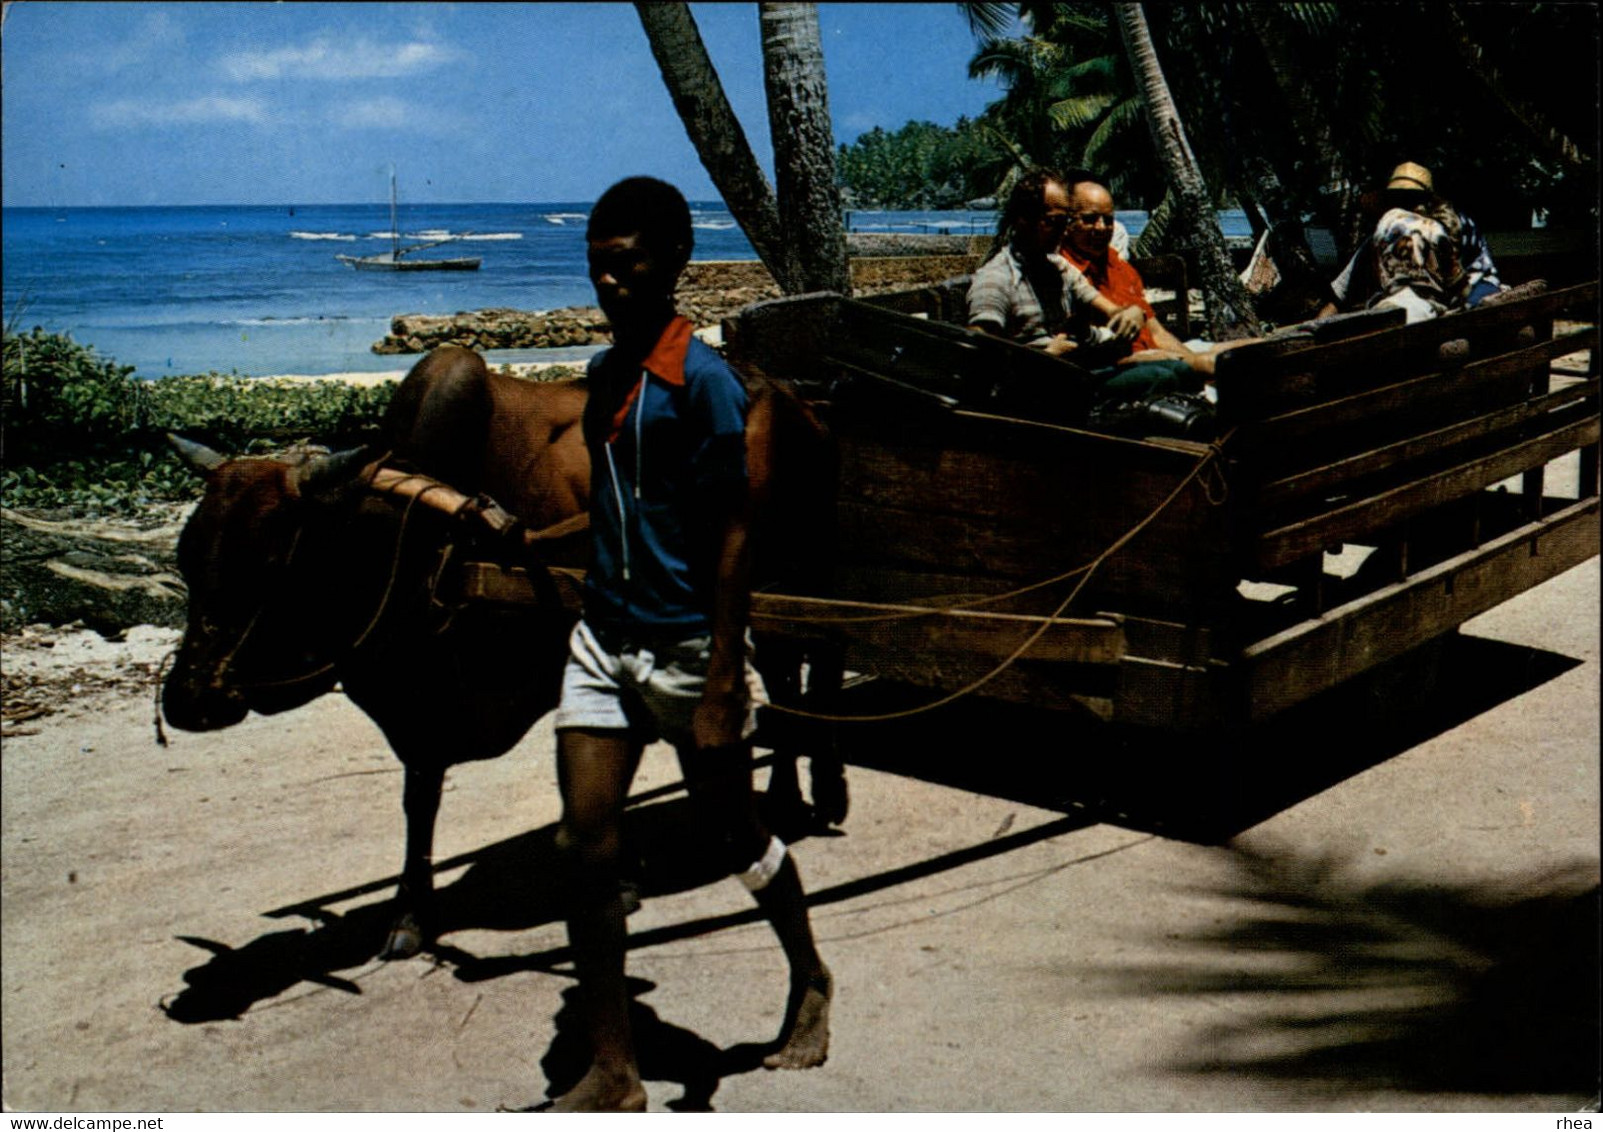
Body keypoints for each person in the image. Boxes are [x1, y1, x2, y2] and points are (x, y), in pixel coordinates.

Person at [547, 176, 831, 1111]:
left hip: (683, 647)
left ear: (673, 264)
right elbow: (616, 506)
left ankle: (810, 975)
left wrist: (721, 674)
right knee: (583, 845)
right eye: (597, 265)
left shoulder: (702, 383)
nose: (608, 282)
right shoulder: (602, 376)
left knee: (735, 832)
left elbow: (737, 530)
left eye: (625, 266)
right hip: (604, 639)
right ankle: (614, 1068)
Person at [967, 168, 1191, 404]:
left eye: (1065, 221)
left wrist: (1132, 314)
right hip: (1038, 389)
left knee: (1183, 372)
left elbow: (1107, 308)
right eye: (1053, 222)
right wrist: (1046, 355)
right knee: (1160, 378)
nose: (1063, 231)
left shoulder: (1058, 268)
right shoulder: (997, 280)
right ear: (1023, 220)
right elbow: (978, 353)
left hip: (1077, 372)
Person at [1058, 172, 1251, 380]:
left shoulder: (1119, 267)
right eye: (1089, 219)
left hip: (1159, 350)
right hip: (1124, 362)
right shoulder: (1063, 271)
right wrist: (1193, 363)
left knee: (1257, 348)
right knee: (1219, 366)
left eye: (1108, 220)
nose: (1101, 228)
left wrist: (1189, 357)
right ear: (1067, 223)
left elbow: (1157, 332)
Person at [1316, 161, 1506, 322]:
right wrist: (1315, 330)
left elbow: (1459, 283)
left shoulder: (1450, 227)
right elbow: (1339, 296)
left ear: (1427, 203)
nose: (1407, 208)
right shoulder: (1382, 236)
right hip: (1412, 306)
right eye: (1400, 200)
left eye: (1412, 199)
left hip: (1474, 288)